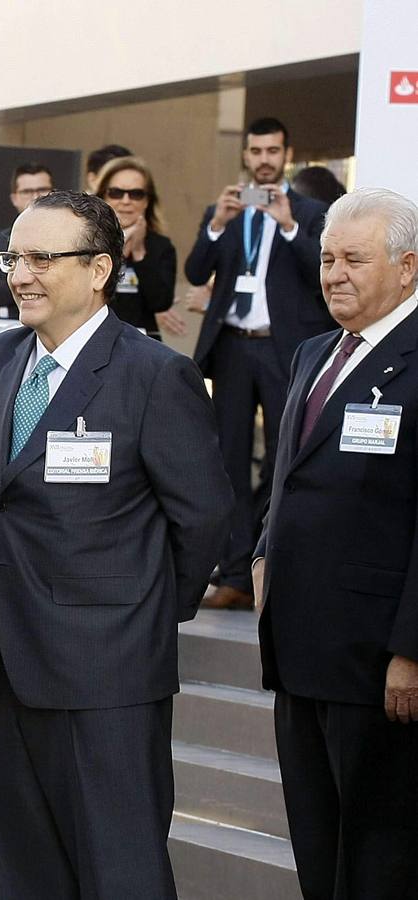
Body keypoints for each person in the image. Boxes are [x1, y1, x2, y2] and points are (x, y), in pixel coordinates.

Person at [0, 190, 231, 899]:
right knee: (19, 867)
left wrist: (135, 614)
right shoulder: (1, 358)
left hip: (107, 671)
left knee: (119, 868)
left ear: (100, 268)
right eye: (15, 256)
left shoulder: (153, 374)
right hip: (1, 655)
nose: (21, 274)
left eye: (44, 258)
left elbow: (201, 520)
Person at [254, 187, 418, 899]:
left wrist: (410, 648)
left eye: (354, 259)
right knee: (317, 848)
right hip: (300, 645)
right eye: (326, 258)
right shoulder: (315, 353)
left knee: (380, 858)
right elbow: (290, 478)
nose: (333, 274)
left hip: (376, 657)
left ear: (408, 268)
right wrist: (263, 557)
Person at [186, 116, 334, 610]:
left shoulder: (312, 211)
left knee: (283, 457)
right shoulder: (224, 210)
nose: (264, 159)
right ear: (245, 156)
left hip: (285, 348)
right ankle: (232, 575)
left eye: (273, 151)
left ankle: (272, 568)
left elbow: (323, 275)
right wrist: (216, 225)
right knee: (226, 458)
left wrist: (289, 225)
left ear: (286, 155)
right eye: (256, 151)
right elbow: (194, 271)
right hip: (232, 346)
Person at [95, 156, 177, 339]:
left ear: (147, 201)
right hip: (94, 340)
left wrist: (140, 254)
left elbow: (161, 302)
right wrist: (120, 254)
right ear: (102, 196)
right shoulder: (87, 241)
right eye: (116, 192)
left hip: (143, 343)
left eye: (136, 194)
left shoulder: (160, 245)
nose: (126, 201)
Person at [0, 162, 54, 321]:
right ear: (14, 198)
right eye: (27, 191)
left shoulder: (67, 239)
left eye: (42, 190)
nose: (35, 197)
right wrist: (40, 293)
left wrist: (1, 285)